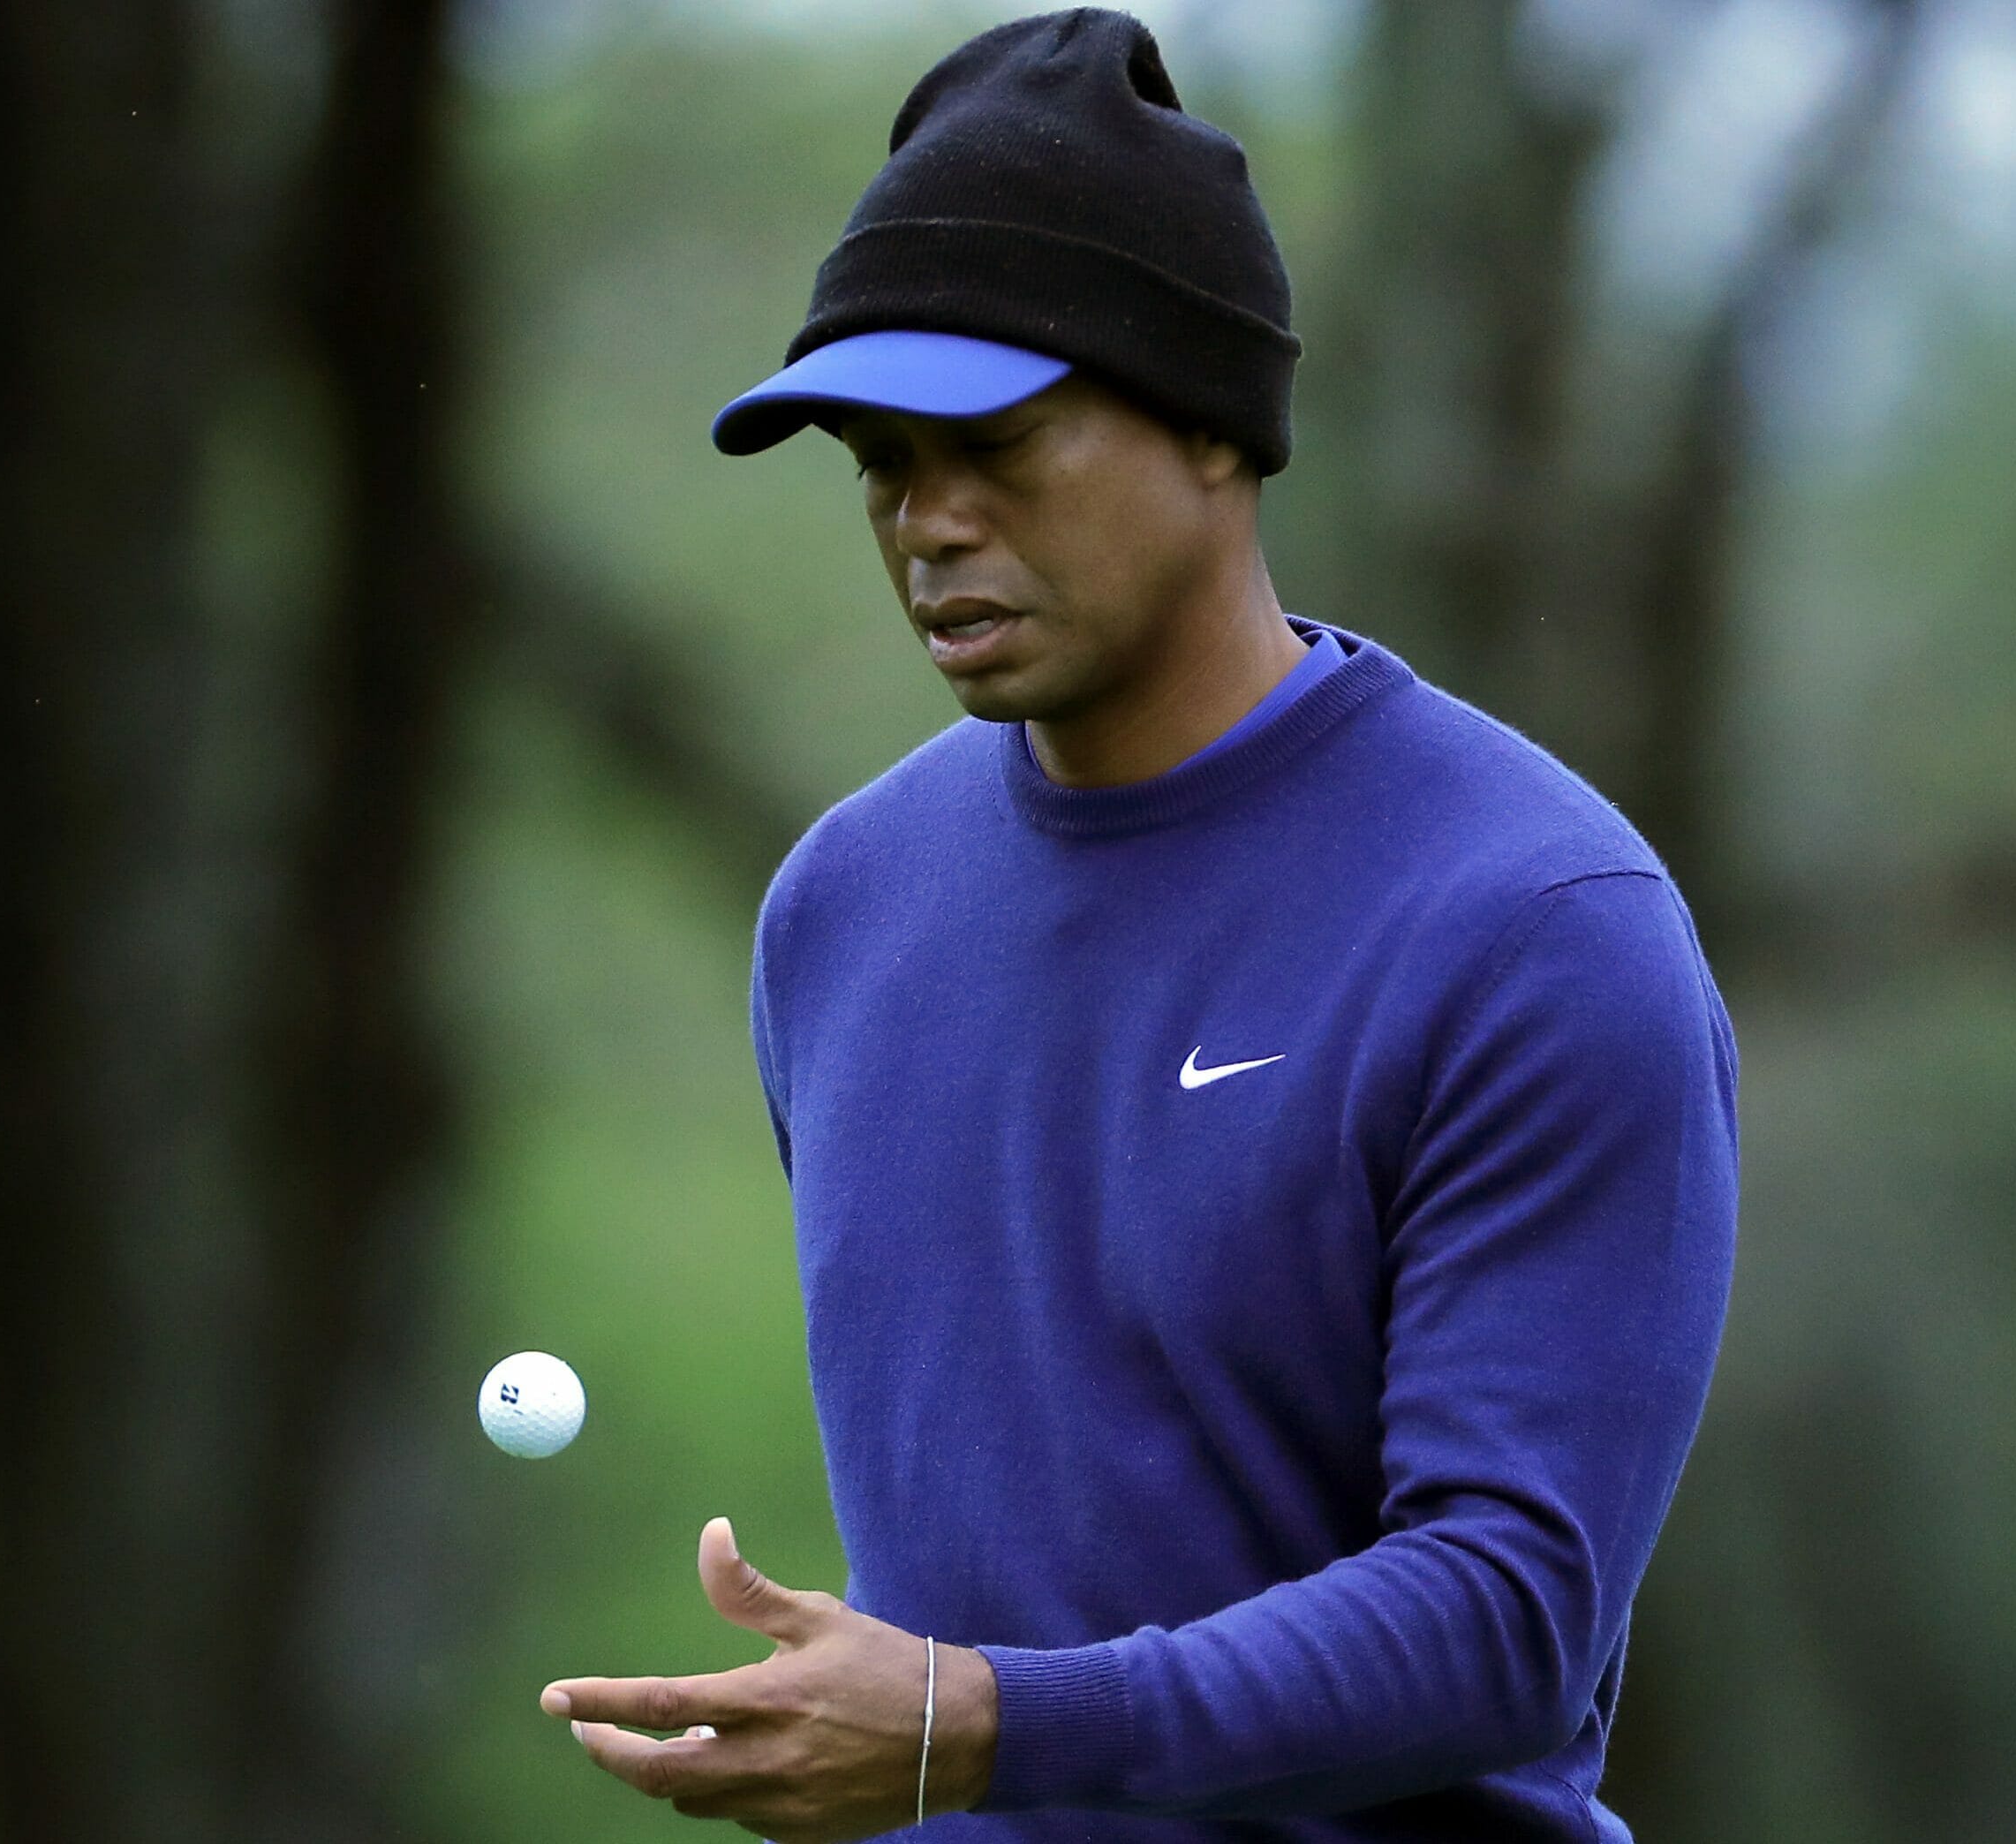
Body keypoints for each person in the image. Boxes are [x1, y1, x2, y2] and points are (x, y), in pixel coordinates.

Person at [536, 11, 1738, 1840]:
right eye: (876, 457)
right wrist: (946, 1731)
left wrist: (977, 1724)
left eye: (995, 445)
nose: (928, 522)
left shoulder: (1533, 928)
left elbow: (1512, 1620)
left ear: (1212, 430)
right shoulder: (839, 911)